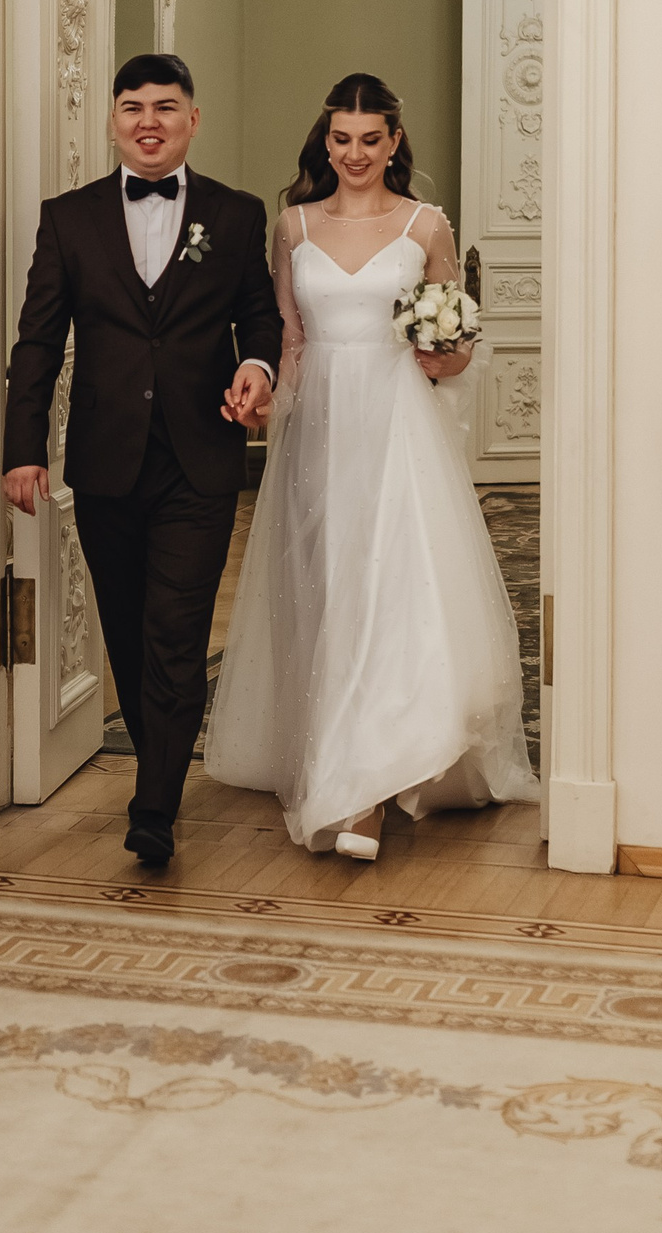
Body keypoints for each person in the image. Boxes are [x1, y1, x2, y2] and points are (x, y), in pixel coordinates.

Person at [204, 71, 534, 860]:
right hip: (319, 429)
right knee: (328, 592)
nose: (354, 154)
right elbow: (289, 341)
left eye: (370, 140)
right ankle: (333, 750)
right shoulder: (292, 227)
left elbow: (455, 346)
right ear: (326, 142)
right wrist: (265, 403)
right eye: (342, 139)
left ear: (394, 143)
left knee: (392, 592)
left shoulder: (426, 226)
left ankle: (368, 793)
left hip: (397, 425)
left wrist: (445, 356)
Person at [2, 53, 282, 872]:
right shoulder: (69, 219)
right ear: (114, 121)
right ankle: (158, 764)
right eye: (133, 107)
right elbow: (37, 342)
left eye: (165, 106)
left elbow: (259, 316)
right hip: (106, 461)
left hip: (201, 457)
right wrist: (23, 450)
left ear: (193, 120)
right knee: (126, 630)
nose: (148, 122)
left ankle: (155, 805)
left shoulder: (236, 214)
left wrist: (257, 368)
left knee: (177, 631)